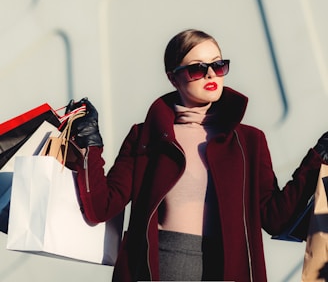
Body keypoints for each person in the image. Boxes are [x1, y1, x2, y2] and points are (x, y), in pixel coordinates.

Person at [67, 29, 328, 282]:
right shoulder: (146, 136)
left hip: (227, 271)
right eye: (197, 69)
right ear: (173, 78)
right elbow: (102, 207)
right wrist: (90, 144)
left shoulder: (249, 140)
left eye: (219, 65)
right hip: (160, 269)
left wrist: (317, 158)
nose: (211, 74)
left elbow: (275, 218)